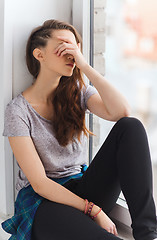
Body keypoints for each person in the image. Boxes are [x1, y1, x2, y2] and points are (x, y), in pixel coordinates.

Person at [1, 19, 157, 240]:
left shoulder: (78, 90)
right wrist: (93, 210)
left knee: (130, 127)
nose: (72, 54)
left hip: (83, 187)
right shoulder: (17, 111)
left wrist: (85, 66)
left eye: (76, 48)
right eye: (64, 46)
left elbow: (122, 112)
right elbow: (40, 183)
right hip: (45, 202)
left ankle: (148, 234)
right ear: (39, 54)